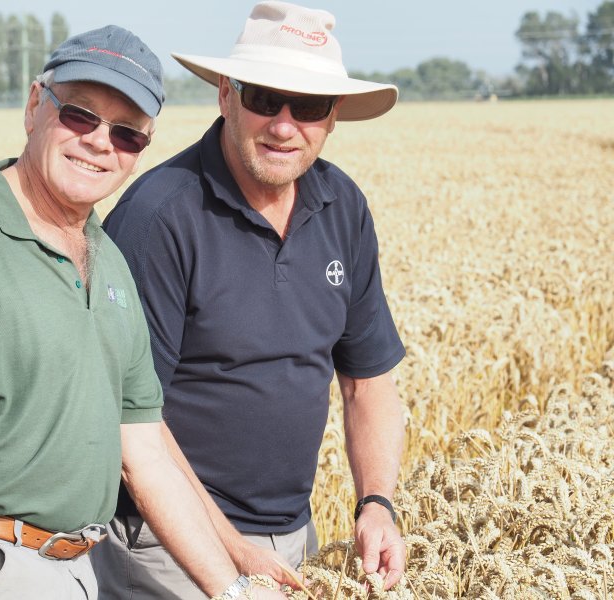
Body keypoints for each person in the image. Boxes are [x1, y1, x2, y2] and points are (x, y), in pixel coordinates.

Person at [0, 25, 287, 600]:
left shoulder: (107, 258)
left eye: (128, 134)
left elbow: (144, 454)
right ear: (36, 106)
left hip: (77, 568)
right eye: (81, 115)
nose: (99, 142)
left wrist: (232, 589)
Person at [93, 2, 407, 598]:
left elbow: (368, 383)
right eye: (264, 98)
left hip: (295, 536)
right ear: (226, 97)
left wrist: (376, 504)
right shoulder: (159, 217)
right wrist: (230, 550)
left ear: (333, 117)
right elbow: (133, 421)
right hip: (165, 539)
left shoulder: (344, 207)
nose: (284, 125)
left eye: (308, 106)